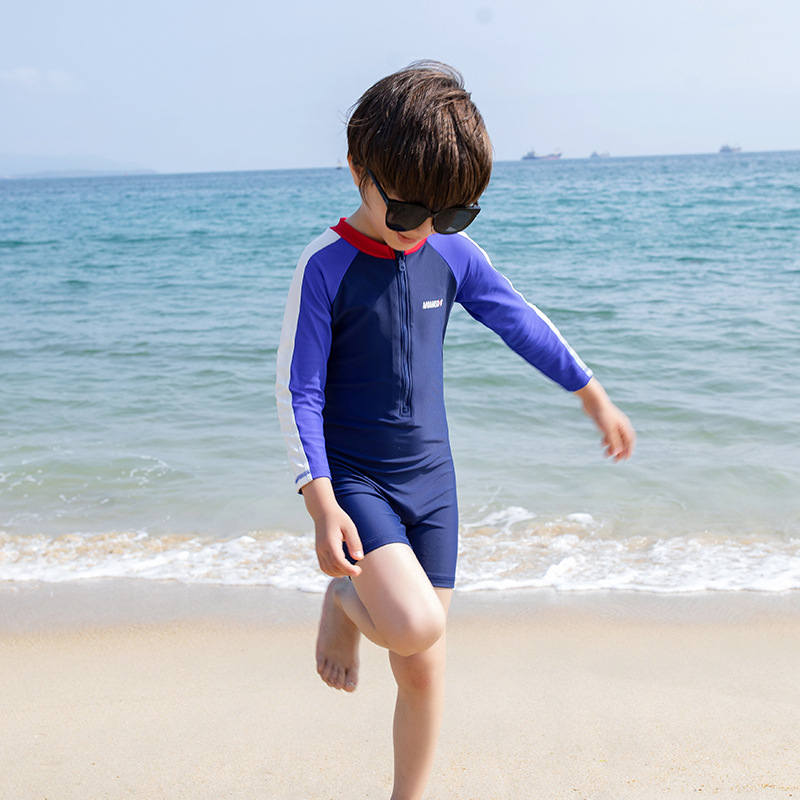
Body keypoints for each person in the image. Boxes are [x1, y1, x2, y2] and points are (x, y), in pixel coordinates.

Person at [276, 61, 635, 800]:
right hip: (358, 483)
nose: (425, 230)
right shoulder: (325, 267)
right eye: (407, 211)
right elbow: (298, 390)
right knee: (410, 625)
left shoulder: (447, 251)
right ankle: (345, 602)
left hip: (433, 482)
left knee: (422, 661)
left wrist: (590, 391)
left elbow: (519, 320)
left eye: (453, 213)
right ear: (357, 172)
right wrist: (320, 501)